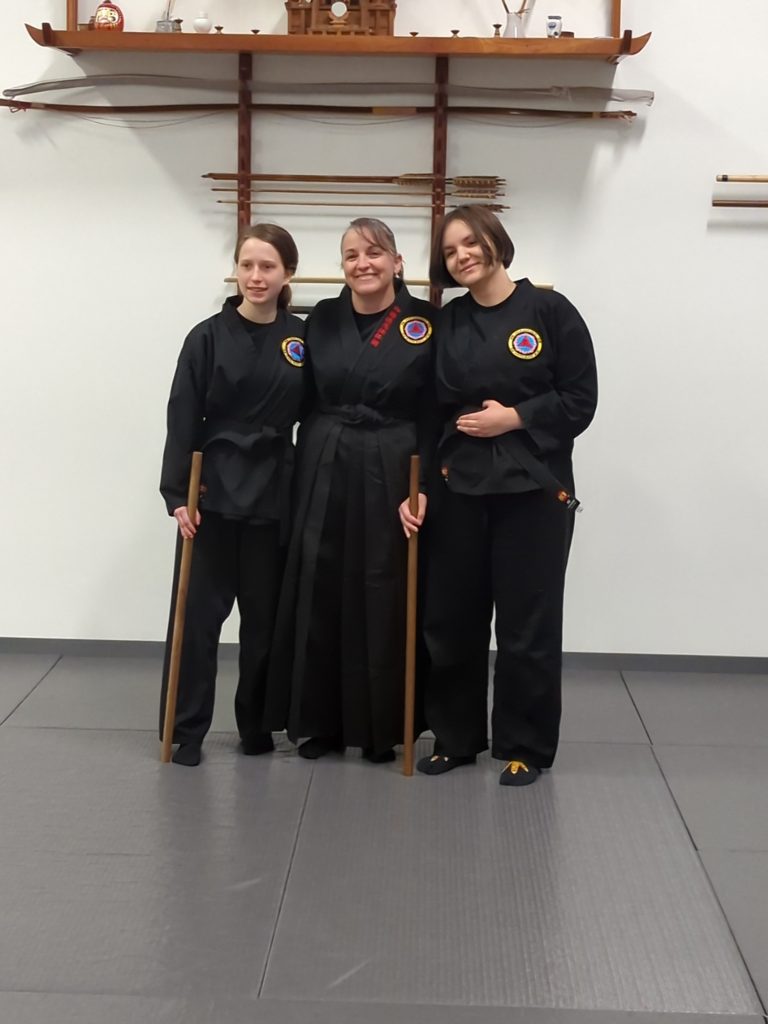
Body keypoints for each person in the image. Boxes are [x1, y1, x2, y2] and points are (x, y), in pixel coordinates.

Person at [399, 205, 597, 786]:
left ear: (495, 241)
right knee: (451, 619)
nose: (462, 256)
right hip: (460, 489)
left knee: (525, 623)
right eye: (452, 250)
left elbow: (580, 400)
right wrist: (424, 489)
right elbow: (430, 414)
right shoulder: (450, 323)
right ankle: (457, 738)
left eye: (471, 243)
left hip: (532, 493)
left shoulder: (550, 311)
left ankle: (524, 745)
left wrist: (515, 417)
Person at [263, 218, 437, 763]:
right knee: (319, 583)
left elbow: (437, 412)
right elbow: (297, 395)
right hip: (325, 458)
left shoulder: (426, 323)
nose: (363, 263)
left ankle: (379, 725)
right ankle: (318, 723)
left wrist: (425, 482)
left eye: (374, 253)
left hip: (391, 460)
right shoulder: (321, 320)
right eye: (351, 255)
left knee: (382, 590)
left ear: (397, 262)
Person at [159, 223, 306, 766]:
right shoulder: (206, 336)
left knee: (264, 623)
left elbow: (314, 416)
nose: (256, 276)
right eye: (247, 264)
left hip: (275, 493)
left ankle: (259, 726)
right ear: (236, 270)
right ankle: (187, 730)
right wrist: (178, 494)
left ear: (287, 272)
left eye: (267, 266)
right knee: (198, 620)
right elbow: (181, 416)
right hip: (213, 493)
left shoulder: (300, 338)